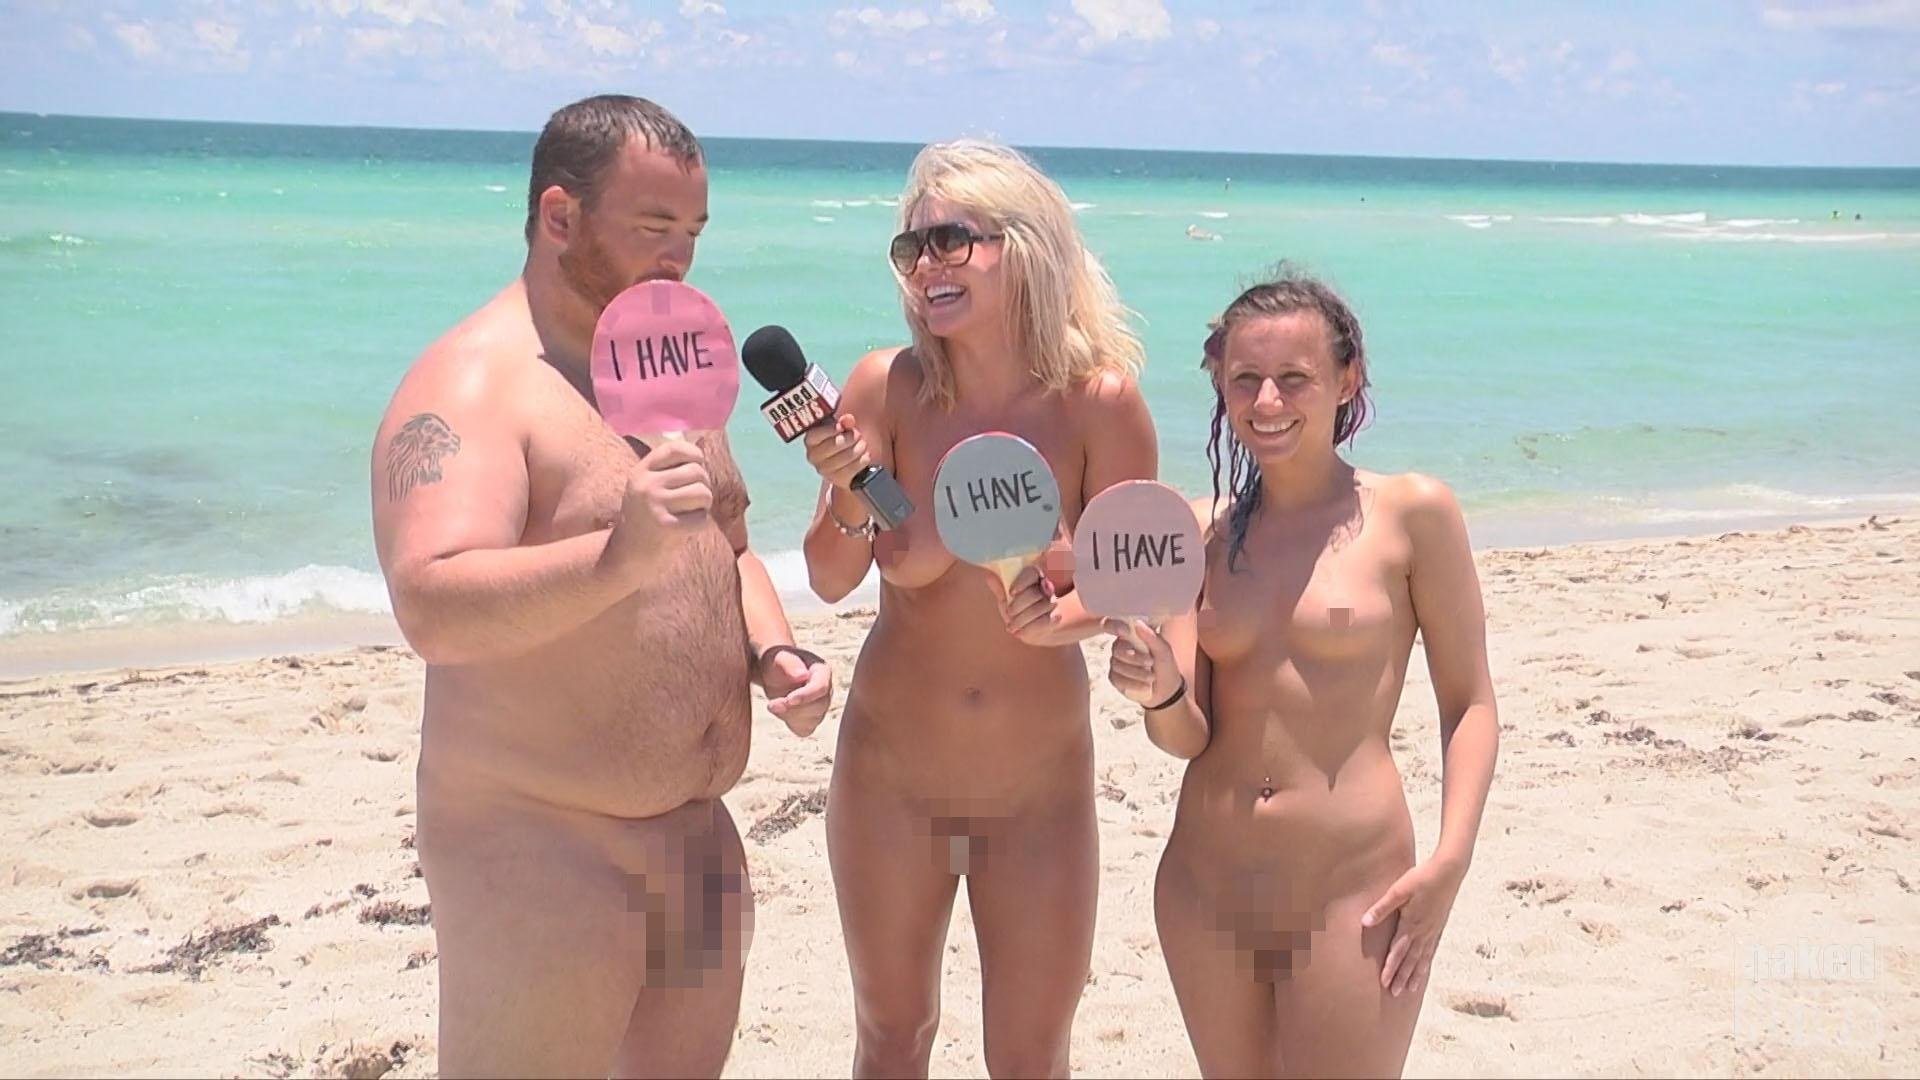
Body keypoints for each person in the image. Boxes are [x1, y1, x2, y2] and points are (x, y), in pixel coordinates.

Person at [369, 94, 834, 1078]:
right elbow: (432, 603)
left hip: (697, 840)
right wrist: (615, 558)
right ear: (560, 216)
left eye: (695, 230)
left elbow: (728, 545)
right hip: (544, 850)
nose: (681, 258)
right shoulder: (475, 384)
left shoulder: (668, 359)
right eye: (655, 227)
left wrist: (773, 652)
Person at [798, 139, 1157, 1078]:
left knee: (1030, 1057)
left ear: (1025, 246)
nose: (926, 266)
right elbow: (830, 578)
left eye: (951, 241)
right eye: (911, 248)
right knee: (892, 1037)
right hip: (890, 782)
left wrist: (1067, 619)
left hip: (1037, 792)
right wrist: (846, 492)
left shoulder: (1098, 404)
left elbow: (1135, 583)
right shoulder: (887, 387)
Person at [1101, 269, 1499, 1078]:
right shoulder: (1199, 534)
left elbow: (1470, 704)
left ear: (1346, 379)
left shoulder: (1412, 513)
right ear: (1220, 385)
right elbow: (1184, 736)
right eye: (1245, 379)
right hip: (1206, 884)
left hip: (1351, 888)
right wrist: (1159, 689)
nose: (1268, 401)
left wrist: (1451, 860)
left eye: (1294, 378)